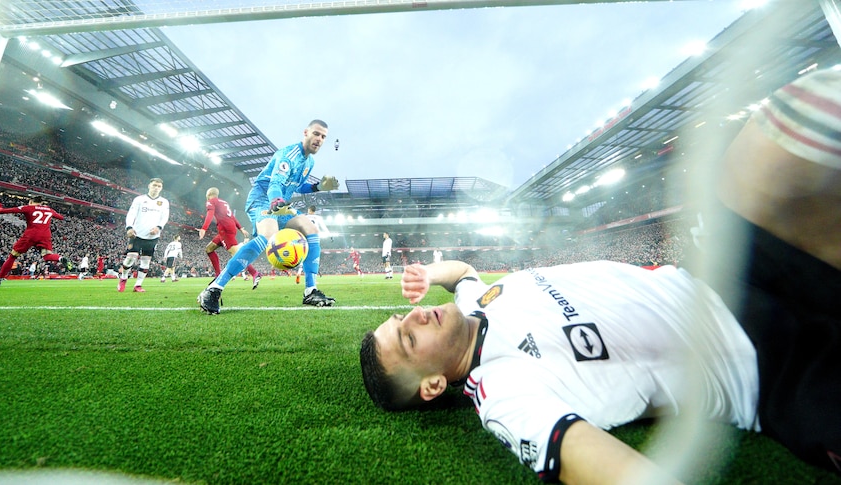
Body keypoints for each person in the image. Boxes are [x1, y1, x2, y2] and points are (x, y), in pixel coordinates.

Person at [359, 69, 841, 483]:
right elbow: (584, 458)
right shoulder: (501, 390)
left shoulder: (475, 303)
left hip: (728, 277)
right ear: (433, 386)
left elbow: (462, 271)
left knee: (789, 124)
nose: (416, 317)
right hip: (769, 369)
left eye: (404, 316)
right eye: (407, 339)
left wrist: (427, 270)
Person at [197, 119, 340, 314]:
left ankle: (310, 291)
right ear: (306, 132)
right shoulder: (287, 155)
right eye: (316, 134)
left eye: (323, 136)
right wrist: (275, 202)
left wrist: (319, 187)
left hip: (282, 203)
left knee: (311, 229)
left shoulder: (309, 161)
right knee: (267, 235)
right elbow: (275, 184)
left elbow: (297, 186)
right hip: (263, 200)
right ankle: (214, 289)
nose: (320, 139)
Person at [0, 196, 68, 289]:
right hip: (45, 235)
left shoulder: (28, 207)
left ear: (31, 201)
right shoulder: (49, 210)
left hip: (31, 234)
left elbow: (1, 211)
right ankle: (60, 258)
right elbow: (61, 217)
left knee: (13, 256)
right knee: (47, 256)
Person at [198, 187, 261, 289]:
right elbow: (232, 217)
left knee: (237, 255)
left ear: (208, 194)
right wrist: (240, 228)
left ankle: (255, 273)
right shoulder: (224, 202)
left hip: (225, 231)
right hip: (228, 229)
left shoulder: (211, 201)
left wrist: (204, 228)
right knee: (209, 249)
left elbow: (210, 214)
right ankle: (218, 275)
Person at [117, 178, 169, 293]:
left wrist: (158, 227)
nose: (156, 188)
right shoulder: (139, 199)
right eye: (154, 185)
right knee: (130, 258)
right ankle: (123, 278)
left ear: (161, 188)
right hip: (137, 234)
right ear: (149, 186)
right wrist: (129, 227)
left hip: (152, 237)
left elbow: (165, 217)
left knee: (146, 261)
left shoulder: (164, 202)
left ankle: (138, 285)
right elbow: (131, 213)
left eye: (159, 186)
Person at [296, 205, 330, 283]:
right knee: (314, 258)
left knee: (304, 256)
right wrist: (329, 235)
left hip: (305, 237)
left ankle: (299, 271)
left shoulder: (305, 217)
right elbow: (323, 227)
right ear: (314, 211)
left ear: (309, 210)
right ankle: (314, 279)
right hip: (315, 237)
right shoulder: (318, 218)